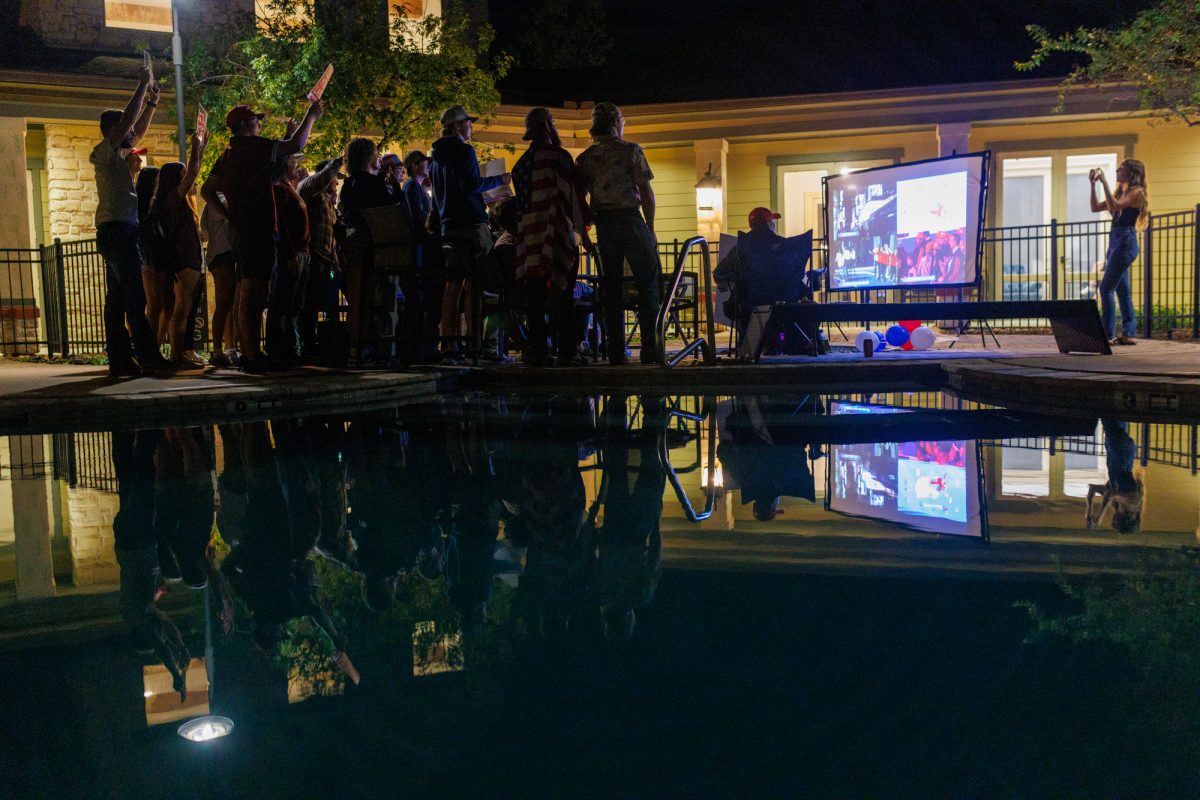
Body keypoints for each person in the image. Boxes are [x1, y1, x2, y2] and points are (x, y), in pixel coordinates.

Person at [201, 98, 324, 373]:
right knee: (254, 293)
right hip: (257, 226)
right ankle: (252, 356)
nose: (259, 125)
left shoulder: (229, 154)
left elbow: (207, 190)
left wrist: (228, 213)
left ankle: (250, 352)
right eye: (256, 121)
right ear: (245, 125)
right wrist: (311, 115)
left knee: (248, 289)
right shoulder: (253, 147)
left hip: (242, 227)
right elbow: (294, 147)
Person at [92, 64, 170, 377]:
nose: (132, 136)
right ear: (113, 131)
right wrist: (142, 85)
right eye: (124, 130)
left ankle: (121, 358)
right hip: (116, 232)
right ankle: (147, 356)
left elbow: (138, 128)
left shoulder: (120, 158)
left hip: (119, 231)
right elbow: (129, 123)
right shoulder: (105, 152)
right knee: (134, 297)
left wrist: (152, 102)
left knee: (117, 299)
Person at [575, 101, 661, 365]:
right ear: (616, 122)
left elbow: (579, 198)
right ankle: (650, 349)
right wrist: (651, 227)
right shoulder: (631, 151)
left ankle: (615, 351)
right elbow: (645, 191)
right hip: (630, 219)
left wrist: (585, 233)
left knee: (610, 288)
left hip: (605, 224)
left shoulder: (585, 158)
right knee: (648, 283)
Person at [430, 105, 511, 364]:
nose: (471, 127)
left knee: (452, 286)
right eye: (468, 123)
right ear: (457, 127)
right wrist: (499, 180)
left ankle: (449, 347)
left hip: (448, 227)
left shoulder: (435, 158)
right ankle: (475, 345)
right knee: (478, 284)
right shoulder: (465, 151)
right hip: (471, 225)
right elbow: (473, 184)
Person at [512, 107, 585, 367]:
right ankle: (567, 350)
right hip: (555, 233)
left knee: (534, 297)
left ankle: (538, 351)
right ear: (547, 126)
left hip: (528, 237)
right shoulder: (558, 157)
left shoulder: (520, 165)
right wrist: (583, 230)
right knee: (563, 292)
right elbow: (571, 198)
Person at [339, 137, 405, 363]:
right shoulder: (374, 184)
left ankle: (356, 348)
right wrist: (393, 185)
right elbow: (395, 207)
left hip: (354, 246)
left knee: (357, 301)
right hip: (380, 248)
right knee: (384, 300)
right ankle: (385, 350)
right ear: (369, 157)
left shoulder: (348, 185)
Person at [713, 207, 813, 355]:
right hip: (786, 301)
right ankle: (797, 342)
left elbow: (720, 273)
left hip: (752, 304)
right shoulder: (786, 246)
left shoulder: (743, 246)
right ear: (770, 224)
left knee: (740, 294)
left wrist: (734, 278)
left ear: (751, 225)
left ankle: (750, 344)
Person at [147, 131, 209, 368]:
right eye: (183, 177)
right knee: (181, 309)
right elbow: (193, 171)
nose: (190, 181)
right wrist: (195, 147)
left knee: (184, 308)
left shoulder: (178, 202)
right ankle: (177, 354)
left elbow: (194, 171)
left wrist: (201, 148)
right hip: (183, 262)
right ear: (175, 180)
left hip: (189, 260)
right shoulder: (172, 199)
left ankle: (178, 354)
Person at [1090, 159, 1148, 346]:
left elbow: (1115, 206)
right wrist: (1093, 185)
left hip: (1125, 241)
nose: (1117, 171)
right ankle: (1128, 333)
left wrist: (1104, 181)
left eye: (1120, 168)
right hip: (1115, 240)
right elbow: (1095, 208)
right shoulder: (1120, 192)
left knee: (1106, 288)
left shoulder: (1137, 192)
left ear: (1131, 172)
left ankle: (1107, 335)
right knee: (1122, 291)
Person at [296, 156, 344, 362]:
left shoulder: (327, 201)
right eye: (334, 179)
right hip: (315, 257)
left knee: (324, 303)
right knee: (309, 304)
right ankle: (307, 345)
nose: (336, 183)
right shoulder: (311, 191)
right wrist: (337, 163)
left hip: (327, 260)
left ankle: (323, 345)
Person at [265, 154, 310, 365]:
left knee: (295, 303)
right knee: (284, 302)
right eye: (293, 162)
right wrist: (289, 253)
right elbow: (281, 224)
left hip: (301, 252)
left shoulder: (288, 188)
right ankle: (280, 348)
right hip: (291, 254)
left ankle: (291, 346)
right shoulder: (279, 190)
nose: (297, 166)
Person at [1086, 418, 1145, 535]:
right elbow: (1112, 495)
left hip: (1114, 453)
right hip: (1122, 452)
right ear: (1123, 520)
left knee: (1113, 420)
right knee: (1110, 419)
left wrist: (1088, 512)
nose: (1112, 519)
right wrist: (1100, 518)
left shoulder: (1118, 503)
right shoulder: (1134, 503)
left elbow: (1092, 488)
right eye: (1115, 522)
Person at [134, 166, 171, 351]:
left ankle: (155, 347)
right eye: (156, 181)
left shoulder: (156, 207)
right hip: (149, 260)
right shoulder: (141, 208)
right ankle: (149, 350)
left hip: (159, 259)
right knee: (154, 306)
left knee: (165, 305)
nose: (158, 185)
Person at [200, 196, 237, 367]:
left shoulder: (211, 202)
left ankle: (227, 348)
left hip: (217, 253)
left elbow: (204, 228)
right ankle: (219, 349)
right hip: (225, 252)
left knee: (227, 303)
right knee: (225, 303)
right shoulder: (225, 199)